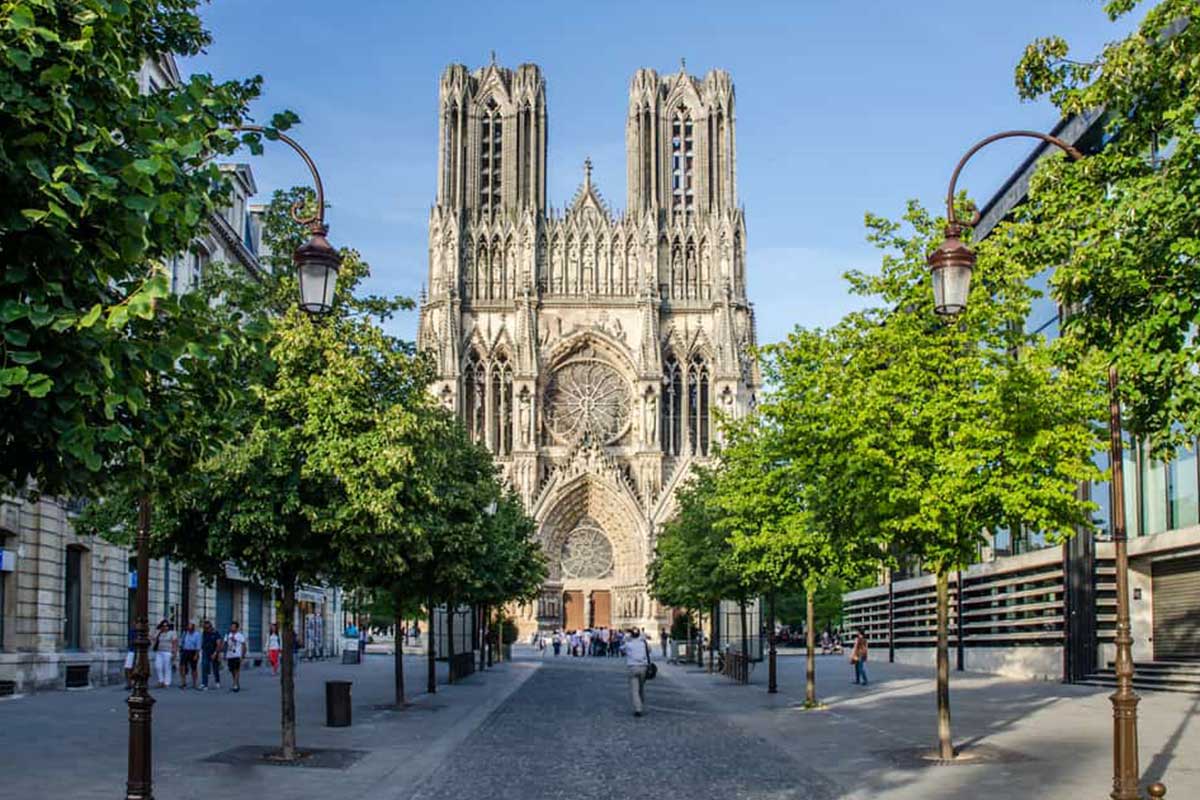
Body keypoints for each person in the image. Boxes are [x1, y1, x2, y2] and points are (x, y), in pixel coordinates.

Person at [621, 627, 652, 717]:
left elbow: (621, 649)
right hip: (643, 668)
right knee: (641, 688)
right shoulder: (643, 643)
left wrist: (626, 639)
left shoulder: (628, 644)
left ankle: (638, 709)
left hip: (632, 668)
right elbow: (649, 650)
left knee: (635, 690)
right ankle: (641, 704)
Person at [152, 620, 176, 688]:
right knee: (158, 666)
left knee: (167, 667)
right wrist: (157, 630)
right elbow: (153, 638)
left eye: (166, 626)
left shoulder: (172, 633)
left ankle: (167, 682)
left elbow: (174, 643)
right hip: (159, 652)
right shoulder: (159, 632)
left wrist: (174, 653)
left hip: (168, 652)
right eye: (163, 626)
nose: (165, 627)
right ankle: (160, 681)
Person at [224, 621, 246, 692]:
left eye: (234, 626)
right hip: (230, 655)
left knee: (236, 670)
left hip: (237, 655)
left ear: (237, 628)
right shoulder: (228, 635)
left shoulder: (240, 635)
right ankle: (236, 682)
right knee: (232, 670)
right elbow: (225, 645)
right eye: (231, 626)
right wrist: (224, 654)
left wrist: (242, 656)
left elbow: (244, 646)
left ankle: (235, 684)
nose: (232, 628)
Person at [179, 621, 201, 690]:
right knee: (182, 667)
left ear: (193, 626)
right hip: (185, 651)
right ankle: (183, 682)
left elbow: (198, 645)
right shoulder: (185, 633)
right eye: (188, 625)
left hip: (193, 651)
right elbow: (181, 642)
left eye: (190, 625)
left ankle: (195, 683)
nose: (189, 627)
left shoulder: (197, 634)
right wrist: (180, 649)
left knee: (194, 668)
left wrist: (196, 655)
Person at [201, 620, 222, 690]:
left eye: (207, 628)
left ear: (211, 627)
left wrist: (216, 653)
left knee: (215, 668)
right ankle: (204, 684)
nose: (206, 629)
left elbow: (219, 644)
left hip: (214, 652)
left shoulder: (215, 633)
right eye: (205, 628)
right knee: (204, 667)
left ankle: (217, 681)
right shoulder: (204, 633)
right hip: (205, 652)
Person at [123, 624, 137, 689]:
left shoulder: (142, 631)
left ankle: (133, 682)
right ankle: (130, 683)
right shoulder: (132, 630)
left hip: (137, 651)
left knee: (135, 668)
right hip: (131, 650)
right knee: (127, 668)